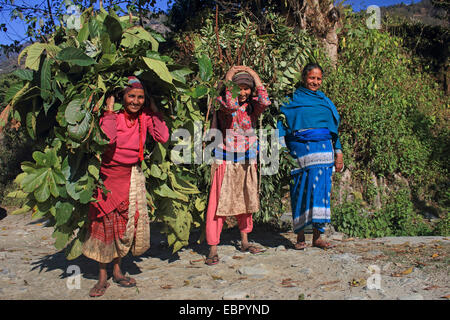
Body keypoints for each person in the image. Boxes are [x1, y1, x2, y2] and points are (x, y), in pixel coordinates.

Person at [82, 76, 169, 297]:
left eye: (140, 97)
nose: (136, 101)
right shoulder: (114, 117)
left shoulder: (145, 117)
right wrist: (109, 112)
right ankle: (103, 277)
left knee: (124, 225)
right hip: (109, 177)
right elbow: (109, 139)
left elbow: (163, 136)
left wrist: (154, 109)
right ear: (122, 96)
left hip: (131, 176)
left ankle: (118, 271)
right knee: (104, 224)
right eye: (131, 96)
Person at [205, 65, 271, 265]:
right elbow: (232, 104)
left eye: (246, 88)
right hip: (225, 158)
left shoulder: (252, 107)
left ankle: (244, 241)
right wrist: (229, 75)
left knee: (246, 200)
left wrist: (255, 76)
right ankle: (213, 247)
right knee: (217, 204)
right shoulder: (222, 102)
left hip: (247, 158)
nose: (242, 93)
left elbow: (266, 101)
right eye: (238, 88)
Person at [277, 63, 343, 250]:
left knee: (320, 193)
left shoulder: (325, 102)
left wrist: (338, 152)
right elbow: (281, 127)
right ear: (304, 77)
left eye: (318, 78)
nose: (315, 82)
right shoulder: (291, 100)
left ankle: (318, 237)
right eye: (312, 78)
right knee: (300, 191)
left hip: (323, 153)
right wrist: (282, 151)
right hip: (299, 153)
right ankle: (299, 237)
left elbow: (333, 131)